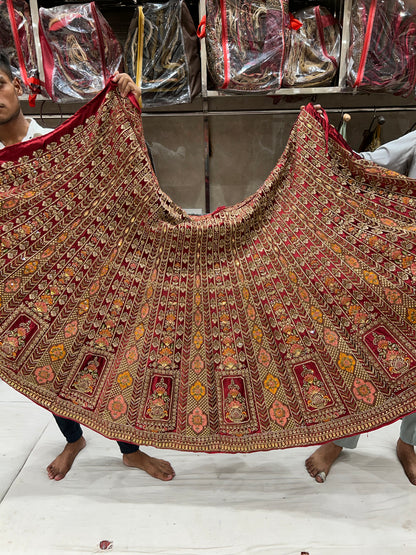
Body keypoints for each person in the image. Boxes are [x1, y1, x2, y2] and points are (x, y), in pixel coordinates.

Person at [0, 52, 174, 482]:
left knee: (107, 357)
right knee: (41, 360)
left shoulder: (59, 144)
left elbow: (125, 174)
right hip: (21, 284)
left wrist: (127, 111)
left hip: (78, 275)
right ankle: (73, 439)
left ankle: (129, 450)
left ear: (17, 87)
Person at [305, 107, 416, 485]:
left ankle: (409, 443)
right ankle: (340, 440)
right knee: (366, 355)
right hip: (402, 273)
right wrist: (324, 140)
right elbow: (368, 163)